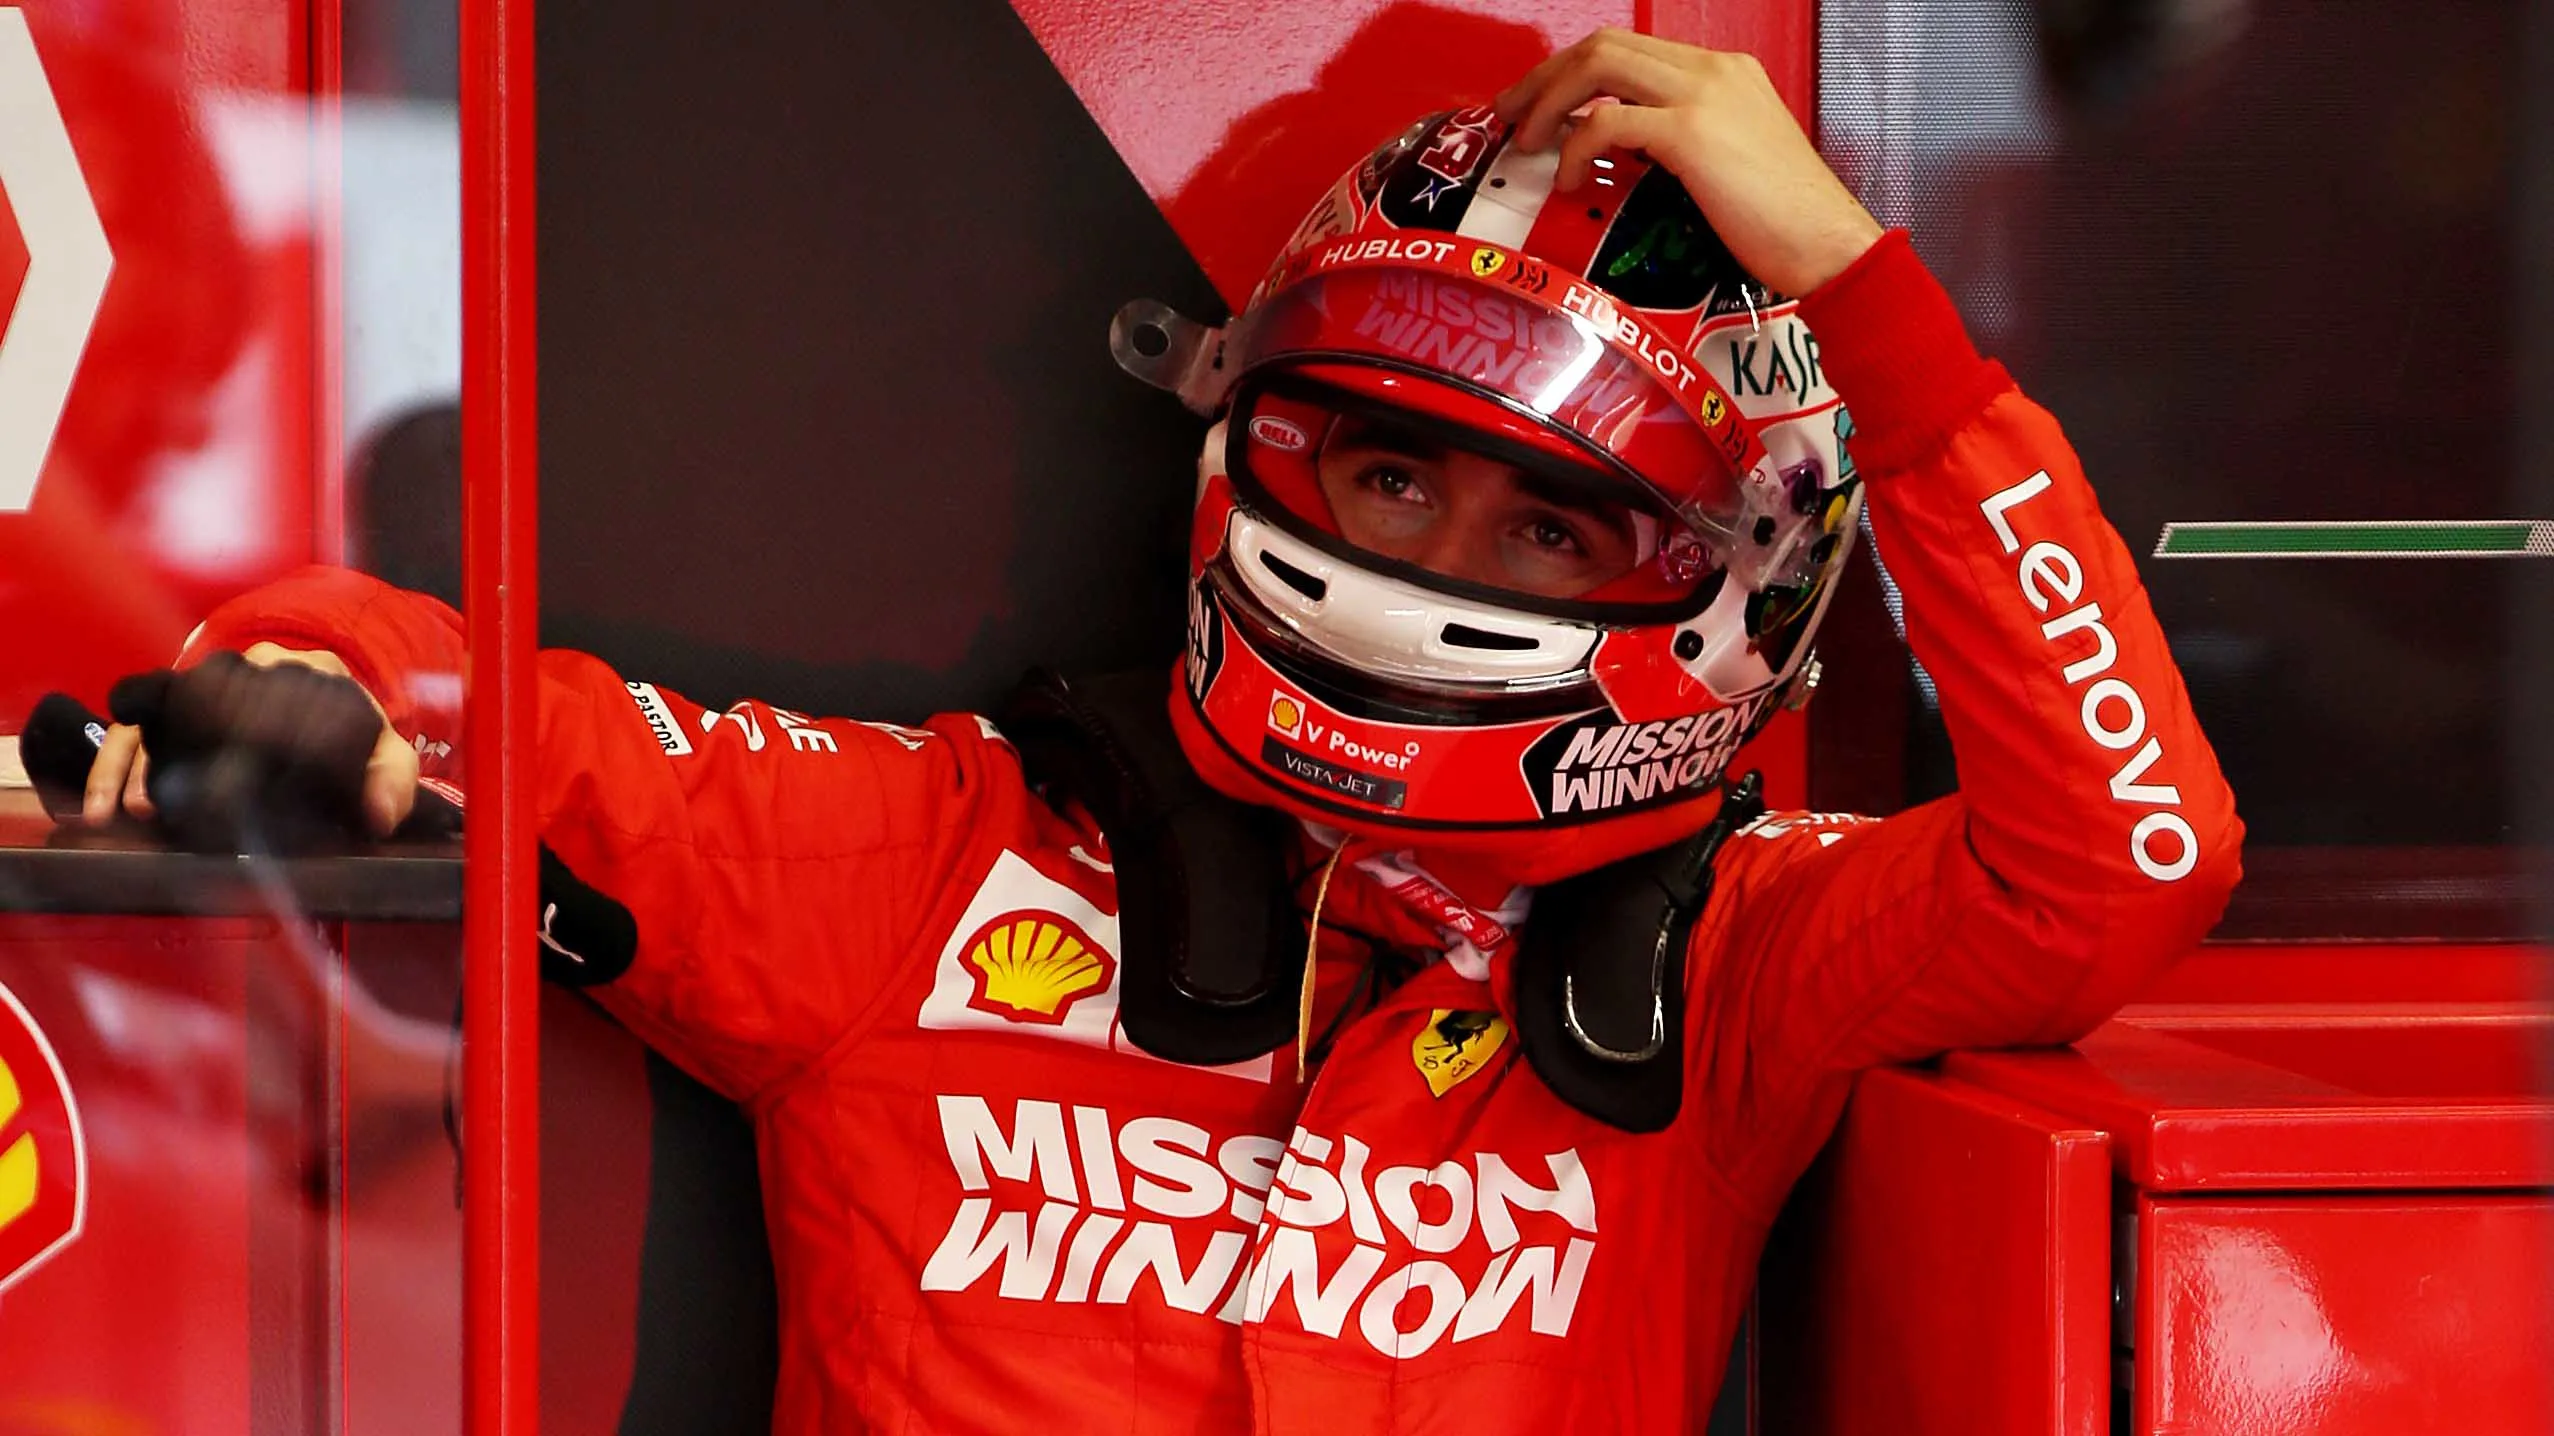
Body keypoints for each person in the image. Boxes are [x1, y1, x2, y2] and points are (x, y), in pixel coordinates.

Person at [81, 31, 2241, 1434]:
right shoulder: (934, 865)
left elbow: (2119, 856)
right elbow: (471, 699)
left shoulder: (1732, 969)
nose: (1437, 548)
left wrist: (1872, 306)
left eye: (1552, 521)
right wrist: (309, 686)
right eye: (1385, 477)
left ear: (1727, 586)